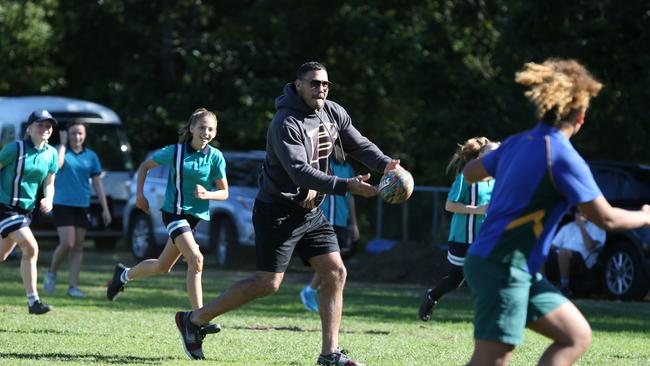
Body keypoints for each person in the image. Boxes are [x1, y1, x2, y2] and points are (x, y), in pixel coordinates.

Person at [173, 61, 400, 365]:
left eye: (326, 84)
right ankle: (195, 320)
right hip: (276, 211)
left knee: (335, 272)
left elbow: (358, 145)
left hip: (310, 212)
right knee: (267, 284)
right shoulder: (285, 122)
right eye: (315, 83)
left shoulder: (332, 112)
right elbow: (299, 172)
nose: (321, 88)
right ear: (299, 86)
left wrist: (386, 165)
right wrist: (347, 186)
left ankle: (329, 354)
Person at [461, 58, 650, 366]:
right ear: (581, 115)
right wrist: (645, 215)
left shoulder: (517, 142)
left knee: (575, 336)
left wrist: (500, 159)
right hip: (502, 268)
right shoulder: (562, 157)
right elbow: (607, 218)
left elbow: (470, 172)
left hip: (512, 267)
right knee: (491, 359)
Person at [106, 108, 228, 318]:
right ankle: (198, 317)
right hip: (174, 214)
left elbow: (224, 192)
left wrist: (208, 194)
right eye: (202, 127)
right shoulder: (176, 152)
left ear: (215, 133)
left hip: (193, 220)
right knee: (196, 258)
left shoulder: (216, 157)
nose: (206, 132)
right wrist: (139, 196)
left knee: (163, 266)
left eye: (210, 129)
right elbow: (145, 166)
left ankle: (123, 275)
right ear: (191, 128)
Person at [419, 137, 498, 321]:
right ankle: (431, 297)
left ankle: (489, 315)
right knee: (456, 279)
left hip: (484, 237)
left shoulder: (496, 180)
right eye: (492, 154)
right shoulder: (466, 177)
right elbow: (450, 205)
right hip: (462, 237)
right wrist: (477, 210)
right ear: (480, 156)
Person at [43, 122, 112, 298]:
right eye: (73, 133)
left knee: (79, 246)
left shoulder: (91, 156)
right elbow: (57, 167)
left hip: (83, 205)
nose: (77, 137)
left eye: (80, 133)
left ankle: (73, 287)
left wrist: (105, 209)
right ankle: (51, 272)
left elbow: (97, 182)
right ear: (68, 135)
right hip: (62, 204)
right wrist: (63, 144)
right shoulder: (59, 150)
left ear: (85, 135)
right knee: (68, 243)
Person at [0, 110, 58, 314]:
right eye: (40, 125)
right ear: (29, 128)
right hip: (5, 208)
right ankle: (33, 302)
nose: (45, 128)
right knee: (31, 247)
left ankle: (33, 302)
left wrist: (48, 198)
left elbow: (49, 183)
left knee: (2, 255)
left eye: (48, 125)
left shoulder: (51, 153)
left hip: (26, 211)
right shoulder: (14, 149)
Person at [300, 145, 360, 313]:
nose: (344, 152)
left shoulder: (348, 169)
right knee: (333, 262)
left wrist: (353, 222)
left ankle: (312, 291)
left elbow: (350, 198)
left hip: (340, 220)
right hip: (324, 219)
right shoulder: (326, 165)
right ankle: (310, 291)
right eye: (341, 148)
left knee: (334, 263)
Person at [549, 211, 606, 296]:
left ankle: (565, 287)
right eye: (578, 213)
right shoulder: (567, 227)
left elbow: (589, 246)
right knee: (542, 253)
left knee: (564, 252)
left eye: (583, 212)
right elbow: (553, 245)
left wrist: (581, 226)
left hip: (583, 258)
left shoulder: (596, 227)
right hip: (562, 254)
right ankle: (543, 284)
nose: (581, 215)